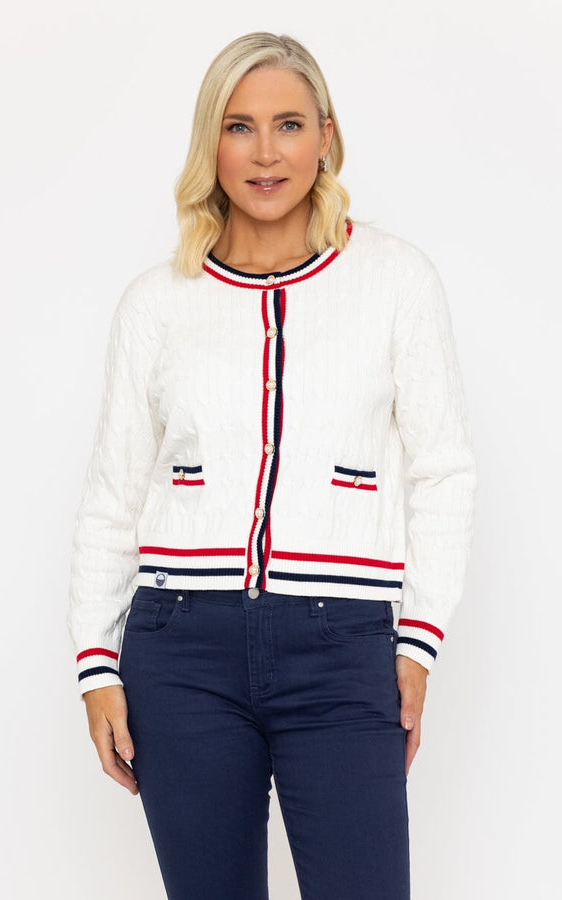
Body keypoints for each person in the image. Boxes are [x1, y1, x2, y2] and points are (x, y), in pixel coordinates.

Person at [67, 31, 477, 900]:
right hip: (180, 651)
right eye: (239, 126)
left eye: (288, 124)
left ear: (326, 136)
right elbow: (113, 492)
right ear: (209, 143)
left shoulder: (395, 282)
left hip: (343, 645)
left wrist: (417, 643)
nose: (265, 153)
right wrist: (97, 665)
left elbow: (443, 470)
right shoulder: (156, 304)